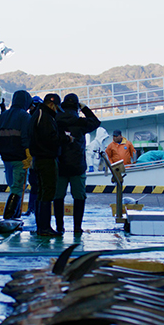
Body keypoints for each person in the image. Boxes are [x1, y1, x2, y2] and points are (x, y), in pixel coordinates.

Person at [53, 94, 101, 234]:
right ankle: (77, 227)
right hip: (77, 166)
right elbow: (96, 122)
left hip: (59, 166)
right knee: (79, 197)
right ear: (76, 107)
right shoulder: (80, 122)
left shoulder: (55, 120)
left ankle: (59, 227)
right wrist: (84, 108)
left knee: (58, 197)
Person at [0, 90, 33, 219]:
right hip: (20, 158)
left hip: (5, 157)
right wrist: (28, 154)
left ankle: (14, 215)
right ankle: (9, 216)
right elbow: (25, 137)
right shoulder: (25, 117)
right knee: (17, 188)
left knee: (12, 185)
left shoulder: (3, 116)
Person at [29, 93, 71, 236]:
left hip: (38, 159)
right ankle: (45, 227)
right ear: (52, 104)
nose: (57, 111)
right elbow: (50, 138)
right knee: (48, 192)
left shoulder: (37, 114)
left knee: (41, 192)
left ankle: (41, 226)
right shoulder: (45, 117)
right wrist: (66, 138)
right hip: (46, 158)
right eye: (56, 107)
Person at [22, 96, 44, 217]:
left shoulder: (41, 119)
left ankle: (36, 208)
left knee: (39, 185)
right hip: (33, 156)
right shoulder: (29, 119)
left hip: (41, 156)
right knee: (35, 184)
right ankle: (32, 208)